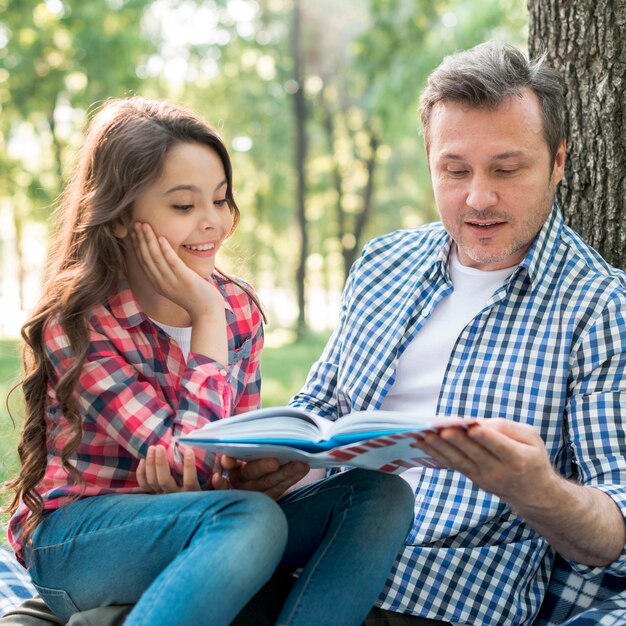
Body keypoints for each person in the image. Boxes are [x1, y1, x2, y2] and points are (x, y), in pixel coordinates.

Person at [4, 96, 415, 626]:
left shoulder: (239, 307)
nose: (214, 224)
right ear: (124, 217)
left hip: (209, 521)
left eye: (220, 201)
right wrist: (205, 315)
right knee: (247, 521)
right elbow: (190, 463)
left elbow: (217, 459)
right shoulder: (79, 323)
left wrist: (259, 470)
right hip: (79, 544)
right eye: (184, 206)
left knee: (379, 496)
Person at [279, 41, 625, 624]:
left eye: (507, 170)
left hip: (437, 598)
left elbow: (612, 534)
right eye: (455, 170)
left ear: (559, 162)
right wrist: (271, 461)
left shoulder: (599, 307)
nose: (479, 198)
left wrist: (534, 487)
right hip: (307, 559)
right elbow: (318, 410)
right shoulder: (383, 262)